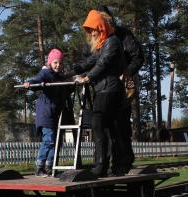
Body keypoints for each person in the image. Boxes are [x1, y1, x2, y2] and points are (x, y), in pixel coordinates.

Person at [74, 10, 124, 177]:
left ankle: (100, 166)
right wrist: (75, 70)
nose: (92, 33)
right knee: (108, 129)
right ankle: (113, 167)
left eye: (93, 29)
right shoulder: (104, 44)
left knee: (98, 125)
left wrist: (87, 77)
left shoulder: (112, 42)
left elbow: (102, 63)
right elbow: (92, 60)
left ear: (101, 27)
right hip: (104, 90)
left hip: (109, 90)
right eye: (89, 31)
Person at [97, 5, 144, 175]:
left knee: (121, 125)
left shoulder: (124, 35)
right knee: (106, 127)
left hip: (123, 86)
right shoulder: (97, 38)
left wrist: (127, 72)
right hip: (104, 88)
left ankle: (123, 162)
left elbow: (138, 57)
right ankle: (107, 164)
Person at [24, 48, 74, 176]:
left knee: (57, 142)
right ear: (50, 63)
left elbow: (67, 88)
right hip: (45, 113)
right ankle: (39, 167)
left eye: (60, 63)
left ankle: (49, 166)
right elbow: (37, 79)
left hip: (55, 114)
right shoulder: (46, 73)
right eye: (56, 62)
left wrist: (75, 82)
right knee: (49, 140)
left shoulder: (59, 77)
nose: (58, 65)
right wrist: (31, 83)